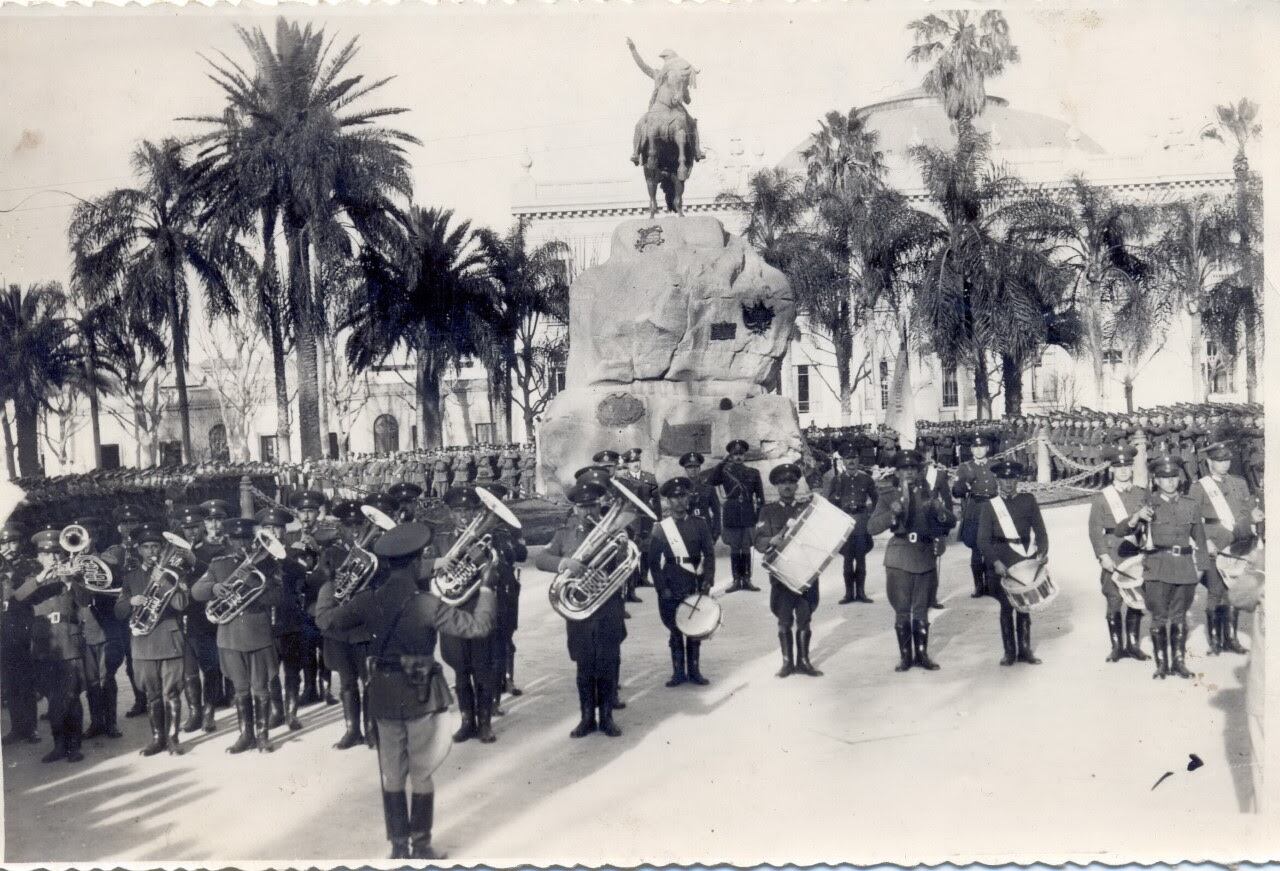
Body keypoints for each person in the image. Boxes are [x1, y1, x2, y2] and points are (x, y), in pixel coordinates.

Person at [317, 522, 498, 860]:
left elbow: (326, 621)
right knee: (422, 773)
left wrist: (329, 584)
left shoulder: (367, 600)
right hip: (420, 690)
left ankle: (398, 848)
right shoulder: (427, 604)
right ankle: (421, 844)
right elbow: (478, 627)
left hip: (383, 692)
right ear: (416, 562)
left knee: (392, 773)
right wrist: (486, 589)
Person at [535, 480, 627, 738]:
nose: (588, 512)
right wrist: (564, 562)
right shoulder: (565, 534)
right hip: (579, 613)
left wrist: (621, 550)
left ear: (600, 506)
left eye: (592, 506)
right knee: (584, 667)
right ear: (575, 509)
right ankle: (587, 717)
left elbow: (627, 565)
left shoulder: (614, 532)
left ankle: (607, 717)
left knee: (608, 665)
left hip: (608, 609)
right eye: (582, 507)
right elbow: (542, 559)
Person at [192, 517, 284, 753]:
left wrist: (253, 589)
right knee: (241, 688)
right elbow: (197, 591)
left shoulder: (268, 564)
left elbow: (279, 597)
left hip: (258, 632)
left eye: (245, 538)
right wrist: (215, 588)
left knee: (261, 687)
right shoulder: (218, 563)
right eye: (235, 539)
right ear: (228, 539)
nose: (240, 543)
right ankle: (246, 735)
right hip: (230, 635)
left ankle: (263, 736)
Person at [867, 450, 956, 672]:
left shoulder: (928, 494)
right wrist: (892, 515)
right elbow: (872, 527)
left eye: (913, 469)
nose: (908, 472)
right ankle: (906, 657)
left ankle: (922, 655)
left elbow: (950, 521)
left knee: (921, 610)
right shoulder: (888, 496)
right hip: (899, 557)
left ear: (918, 471)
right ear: (896, 472)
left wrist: (941, 513)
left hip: (925, 555)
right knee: (902, 610)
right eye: (904, 469)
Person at [429, 487, 502, 745]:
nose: (463, 516)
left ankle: (484, 724)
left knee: (482, 669)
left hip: (479, 609)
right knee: (460, 670)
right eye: (458, 511)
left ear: (476, 512)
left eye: (468, 510)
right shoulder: (441, 541)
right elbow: (424, 572)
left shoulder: (491, 538)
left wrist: (489, 570)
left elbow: (503, 565)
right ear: (450, 514)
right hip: (452, 613)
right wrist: (438, 563)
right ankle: (466, 721)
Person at [1125, 459, 1209, 679]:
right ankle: (1162, 664)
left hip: (1184, 568)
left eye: (1173, 478)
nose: (1170, 482)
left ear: (1179, 479)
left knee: (1179, 616)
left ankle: (1179, 663)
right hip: (1157, 567)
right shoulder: (1147, 503)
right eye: (1164, 478)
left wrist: (1201, 568)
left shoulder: (1190, 504)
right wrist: (1136, 517)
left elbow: (1200, 539)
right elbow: (1120, 530)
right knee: (1159, 617)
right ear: (1157, 480)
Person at [13, 528, 91, 763]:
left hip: (69, 641)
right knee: (53, 698)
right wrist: (40, 579)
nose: (54, 559)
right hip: (45, 645)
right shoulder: (31, 578)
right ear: (39, 557)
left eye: (57, 553)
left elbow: (86, 602)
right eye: (48, 555)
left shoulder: (73, 576)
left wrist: (72, 582)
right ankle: (59, 745)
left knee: (71, 696)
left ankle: (74, 746)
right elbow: (17, 599)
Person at [114, 525, 190, 756]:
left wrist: (165, 582)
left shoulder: (175, 573)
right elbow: (118, 611)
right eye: (146, 547)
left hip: (169, 639)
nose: (151, 551)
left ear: (162, 547)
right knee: (152, 694)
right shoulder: (130, 577)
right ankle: (158, 738)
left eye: (155, 546)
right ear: (138, 550)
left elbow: (181, 605)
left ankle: (173, 739)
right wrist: (131, 602)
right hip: (143, 643)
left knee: (172, 693)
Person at [1189, 441, 1264, 656]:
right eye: (1219, 460)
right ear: (1210, 462)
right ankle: (1214, 641)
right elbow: (1193, 521)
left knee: (1233, 590)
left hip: (1238, 541)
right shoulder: (1199, 487)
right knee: (1215, 590)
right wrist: (1204, 542)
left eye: (1227, 460)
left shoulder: (1239, 483)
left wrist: (1255, 517)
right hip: (1214, 542)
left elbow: (1248, 509)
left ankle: (1230, 638)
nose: (1224, 464)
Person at [976, 461, 1050, 667]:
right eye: (1004, 479)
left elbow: (1041, 532)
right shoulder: (990, 506)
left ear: (1018, 480)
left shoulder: (1028, 500)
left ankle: (1025, 650)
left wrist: (1043, 552)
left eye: (1012, 479)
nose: (1008, 483)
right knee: (1007, 607)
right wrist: (995, 562)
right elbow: (982, 540)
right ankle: (1009, 652)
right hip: (1002, 561)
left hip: (1024, 558)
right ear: (998, 481)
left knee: (1025, 605)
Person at [754, 463, 822, 678]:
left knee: (805, 617)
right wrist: (770, 540)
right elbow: (758, 540)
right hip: (781, 574)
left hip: (805, 572)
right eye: (783, 483)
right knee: (784, 619)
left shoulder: (807, 510)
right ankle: (787, 662)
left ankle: (804, 661)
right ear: (776, 486)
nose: (787, 486)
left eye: (791, 482)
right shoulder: (768, 511)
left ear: (796, 484)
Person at [647, 476, 716, 686]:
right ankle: (678, 673)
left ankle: (694, 671)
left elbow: (710, 555)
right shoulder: (661, 528)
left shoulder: (700, 524)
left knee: (694, 627)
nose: (679, 501)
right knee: (675, 628)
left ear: (688, 498)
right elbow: (652, 562)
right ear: (668, 501)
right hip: (671, 581)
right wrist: (661, 588)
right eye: (674, 498)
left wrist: (708, 580)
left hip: (694, 581)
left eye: (683, 496)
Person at [1087, 446, 1150, 662]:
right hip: (1113, 551)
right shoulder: (1102, 497)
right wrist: (1102, 555)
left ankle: (1133, 645)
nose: (1123, 471)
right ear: (1112, 470)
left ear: (1132, 468)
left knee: (1136, 597)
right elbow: (1095, 530)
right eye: (1118, 467)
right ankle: (1117, 647)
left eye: (1127, 466)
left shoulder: (1142, 493)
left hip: (1136, 552)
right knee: (1114, 598)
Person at [1, 523, 41, 745]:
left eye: (13, 541)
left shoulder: (28, 564)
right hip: (3, 628)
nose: (9, 546)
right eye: (5, 542)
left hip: (23, 625)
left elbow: (28, 593)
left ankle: (31, 728)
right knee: (10, 681)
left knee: (26, 681)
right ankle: (17, 727)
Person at [827, 440, 878, 604]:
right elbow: (829, 504)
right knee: (847, 560)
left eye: (854, 458)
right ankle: (849, 593)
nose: (851, 462)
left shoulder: (866, 480)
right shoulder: (837, 480)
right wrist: (836, 499)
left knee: (861, 559)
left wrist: (870, 516)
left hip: (861, 522)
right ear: (843, 461)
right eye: (848, 459)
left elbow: (877, 502)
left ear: (858, 460)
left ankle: (861, 592)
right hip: (845, 523)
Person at [710, 440, 765, 592]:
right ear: (731, 456)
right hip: (732, 512)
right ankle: (736, 580)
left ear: (745, 455)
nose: (738, 457)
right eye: (735, 454)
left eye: (741, 454)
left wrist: (760, 518)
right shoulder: (725, 472)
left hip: (748, 513)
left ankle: (747, 579)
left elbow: (760, 497)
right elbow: (711, 480)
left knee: (746, 545)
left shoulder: (754, 473)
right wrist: (722, 463)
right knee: (735, 546)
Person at [952, 435, 999, 598]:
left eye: (982, 447)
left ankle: (991, 585)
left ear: (987, 449)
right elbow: (956, 492)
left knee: (993, 547)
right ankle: (979, 586)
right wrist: (964, 484)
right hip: (975, 509)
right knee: (977, 549)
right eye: (975, 447)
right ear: (971, 450)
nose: (979, 450)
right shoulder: (965, 468)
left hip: (993, 508)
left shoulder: (995, 465)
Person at [678, 452, 721, 541]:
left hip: (705, 530)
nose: (693, 469)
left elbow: (717, 512)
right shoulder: (680, 489)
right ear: (685, 469)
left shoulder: (709, 489)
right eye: (689, 467)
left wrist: (715, 533)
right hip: (686, 531)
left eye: (696, 467)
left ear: (699, 468)